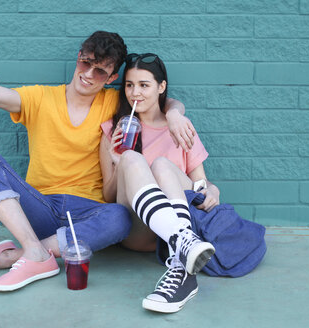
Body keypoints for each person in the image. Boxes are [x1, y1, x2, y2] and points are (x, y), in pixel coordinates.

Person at [0, 31, 196, 292]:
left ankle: (18, 255)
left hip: (87, 213)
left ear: (111, 78)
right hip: (40, 205)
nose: (88, 74)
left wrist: (176, 113)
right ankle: (34, 251)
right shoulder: (39, 98)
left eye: (99, 71)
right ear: (78, 58)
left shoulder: (112, 101)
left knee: (120, 218)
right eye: (85, 63)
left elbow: (156, 100)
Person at [100, 53, 220, 313]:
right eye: (130, 85)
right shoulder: (114, 129)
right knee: (131, 157)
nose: (135, 93)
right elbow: (109, 196)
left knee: (163, 164)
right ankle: (183, 240)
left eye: (144, 85)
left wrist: (212, 189)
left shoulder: (180, 127)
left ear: (161, 87)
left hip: (168, 236)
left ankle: (181, 259)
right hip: (137, 230)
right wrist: (117, 162)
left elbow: (200, 183)